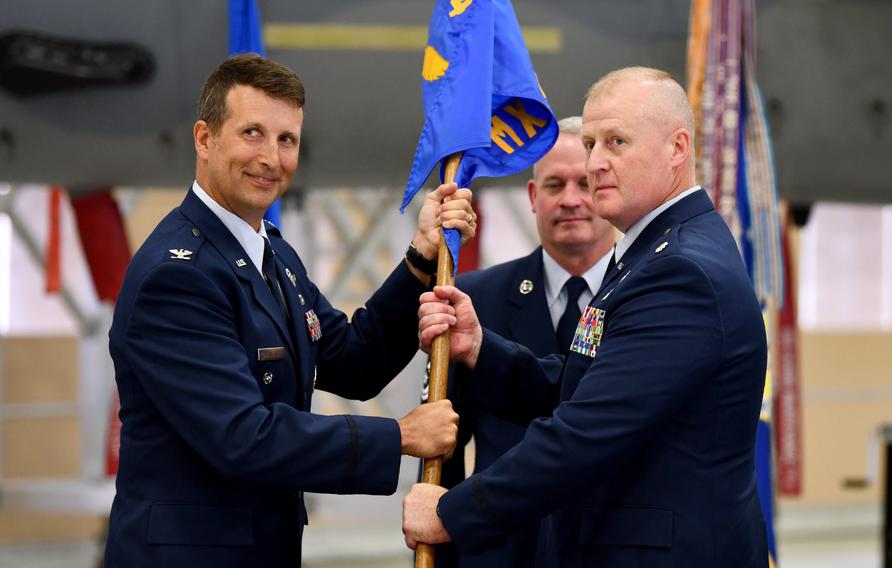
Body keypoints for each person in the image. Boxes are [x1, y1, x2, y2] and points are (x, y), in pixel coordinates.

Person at [104, 54, 474, 567]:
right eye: (252, 133)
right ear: (205, 139)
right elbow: (243, 436)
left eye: (287, 140)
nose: (271, 158)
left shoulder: (271, 253)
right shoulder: (177, 276)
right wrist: (401, 437)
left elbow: (353, 360)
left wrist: (420, 256)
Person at [404, 67, 770, 566]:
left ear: (677, 148)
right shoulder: (652, 254)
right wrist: (481, 350)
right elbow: (587, 384)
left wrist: (454, 511)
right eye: (593, 142)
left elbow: (587, 430)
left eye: (616, 142)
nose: (596, 161)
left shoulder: (680, 272)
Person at [434, 116, 616, 567]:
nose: (571, 200)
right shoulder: (475, 299)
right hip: (503, 549)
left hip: (610, 546)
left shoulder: (646, 296)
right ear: (534, 198)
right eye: (555, 185)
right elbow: (446, 446)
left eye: (584, 183)